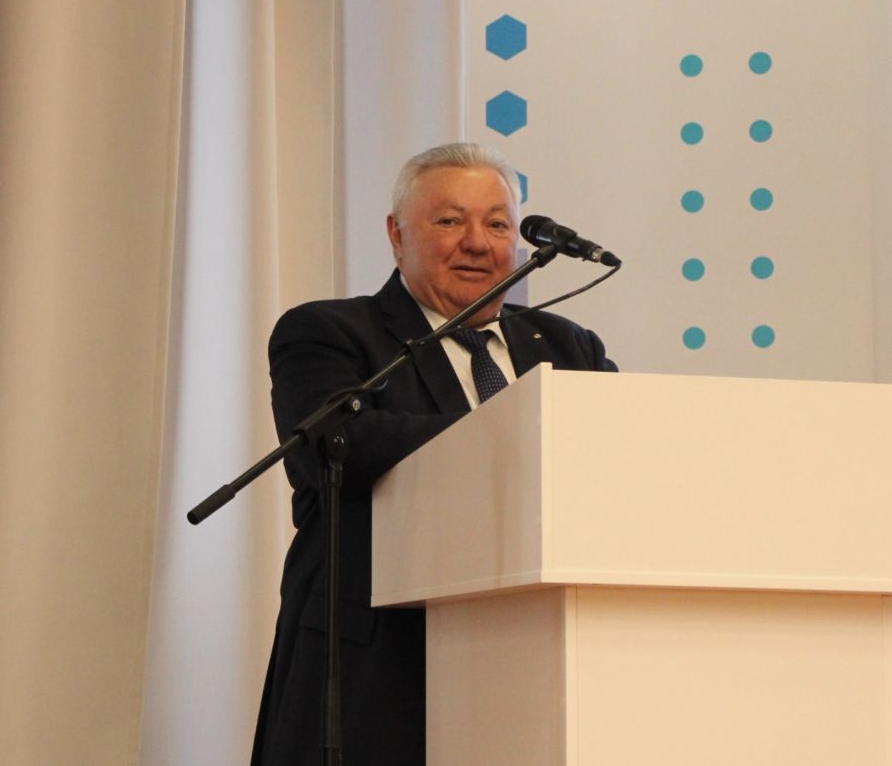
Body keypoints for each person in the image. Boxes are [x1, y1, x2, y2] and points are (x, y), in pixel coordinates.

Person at [251, 143, 617, 765]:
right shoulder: (331, 332)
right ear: (397, 235)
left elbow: (612, 458)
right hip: (375, 668)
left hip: (537, 654)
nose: (477, 243)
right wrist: (516, 431)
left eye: (497, 224)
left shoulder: (567, 345)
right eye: (449, 220)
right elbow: (339, 446)